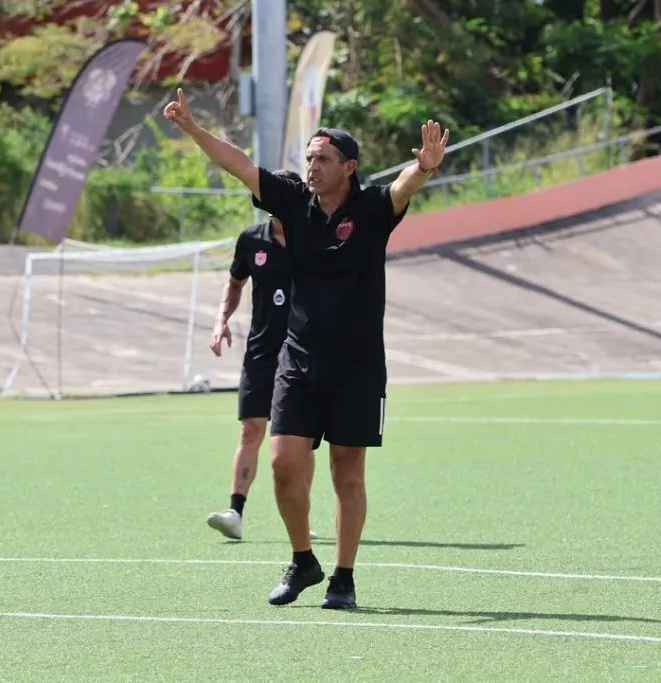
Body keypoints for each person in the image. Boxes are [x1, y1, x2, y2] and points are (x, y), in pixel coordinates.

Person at [164, 88, 449, 609]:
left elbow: (403, 186)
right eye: (309, 158)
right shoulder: (294, 202)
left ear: (348, 166)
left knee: (347, 469)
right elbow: (241, 165)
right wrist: (193, 130)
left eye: (323, 159)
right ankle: (303, 559)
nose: (312, 166)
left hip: (359, 366)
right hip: (298, 359)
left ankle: (343, 576)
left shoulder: (370, 209)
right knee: (283, 463)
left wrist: (426, 168)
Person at [206, 184, 320, 542]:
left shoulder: (314, 237)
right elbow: (235, 282)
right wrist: (221, 319)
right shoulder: (251, 240)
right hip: (261, 351)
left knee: (302, 441)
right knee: (251, 429)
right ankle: (234, 512)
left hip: (305, 351)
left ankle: (301, 514)